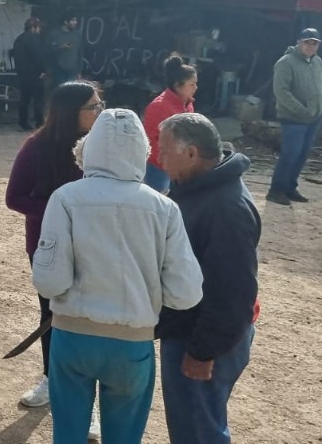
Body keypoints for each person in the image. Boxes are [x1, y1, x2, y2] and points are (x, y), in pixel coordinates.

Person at [33, 108, 203, 444]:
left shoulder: (66, 198)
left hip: (73, 338)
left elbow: (50, 281)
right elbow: (186, 293)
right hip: (133, 343)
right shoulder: (164, 208)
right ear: (143, 151)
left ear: (89, 148)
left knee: (67, 434)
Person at [156, 113, 262, 444]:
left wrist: (203, 351)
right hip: (193, 331)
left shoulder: (225, 209)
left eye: (164, 151)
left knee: (199, 432)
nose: (158, 160)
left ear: (191, 153)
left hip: (202, 338)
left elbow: (233, 293)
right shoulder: (196, 186)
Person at [4, 81, 101, 412]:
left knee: (91, 319)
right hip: (48, 247)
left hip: (93, 247)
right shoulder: (36, 147)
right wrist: (63, 208)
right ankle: (51, 379)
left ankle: (86, 397)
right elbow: (14, 197)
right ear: (71, 111)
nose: (99, 112)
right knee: (52, 315)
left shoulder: (100, 146)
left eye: (100, 105)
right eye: (93, 107)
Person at [267, 28, 322, 205]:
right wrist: (302, 110)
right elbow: (281, 92)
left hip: (314, 117)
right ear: (299, 42)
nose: (311, 46)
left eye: (314, 43)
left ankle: (290, 187)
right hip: (293, 118)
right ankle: (276, 190)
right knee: (290, 153)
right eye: (307, 42)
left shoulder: (318, 62)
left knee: (302, 154)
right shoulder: (285, 62)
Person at [143, 55, 198, 192]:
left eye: (195, 84)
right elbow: (153, 143)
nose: (195, 88)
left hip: (180, 167)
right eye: (191, 84)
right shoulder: (158, 107)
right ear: (177, 86)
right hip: (159, 168)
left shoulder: (187, 104)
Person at [12, 17, 49, 131]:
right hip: (35, 75)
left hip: (22, 74)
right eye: (39, 27)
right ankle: (39, 124)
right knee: (38, 100)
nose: (40, 30)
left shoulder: (19, 39)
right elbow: (38, 57)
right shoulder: (34, 39)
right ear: (34, 27)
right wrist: (43, 70)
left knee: (24, 100)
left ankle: (23, 122)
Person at [46, 15, 82, 86]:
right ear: (65, 22)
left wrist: (79, 71)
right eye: (73, 20)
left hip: (73, 71)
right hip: (59, 70)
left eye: (76, 20)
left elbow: (80, 53)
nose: (76, 22)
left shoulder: (77, 34)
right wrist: (61, 47)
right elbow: (48, 51)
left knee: (71, 92)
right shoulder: (54, 34)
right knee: (60, 92)